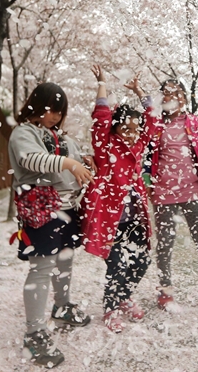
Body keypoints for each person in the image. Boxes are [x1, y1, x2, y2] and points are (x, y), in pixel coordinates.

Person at [8, 82, 94, 368]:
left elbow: (77, 162)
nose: (55, 116)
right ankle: (34, 332)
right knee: (42, 267)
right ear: (36, 106)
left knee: (65, 261)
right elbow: (29, 158)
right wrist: (70, 164)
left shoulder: (63, 138)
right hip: (41, 210)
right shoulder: (24, 133)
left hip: (69, 209)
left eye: (60, 111)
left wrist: (84, 163)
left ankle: (61, 306)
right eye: (50, 110)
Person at [81, 65, 156, 333]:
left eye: (135, 130)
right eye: (126, 128)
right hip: (110, 219)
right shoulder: (105, 144)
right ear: (115, 128)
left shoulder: (137, 145)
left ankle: (124, 296)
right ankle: (110, 308)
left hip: (135, 218)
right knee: (117, 265)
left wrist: (140, 92)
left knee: (142, 260)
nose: (131, 133)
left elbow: (153, 123)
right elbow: (101, 117)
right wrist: (102, 84)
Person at [144, 79, 198, 311]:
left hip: (194, 190)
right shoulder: (155, 125)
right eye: (168, 95)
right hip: (163, 193)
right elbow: (147, 160)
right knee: (165, 244)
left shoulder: (194, 122)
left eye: (178, 93)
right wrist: (148, 187)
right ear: (162, 100)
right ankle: (165, 288)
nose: (174, 98)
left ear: (184, 97)